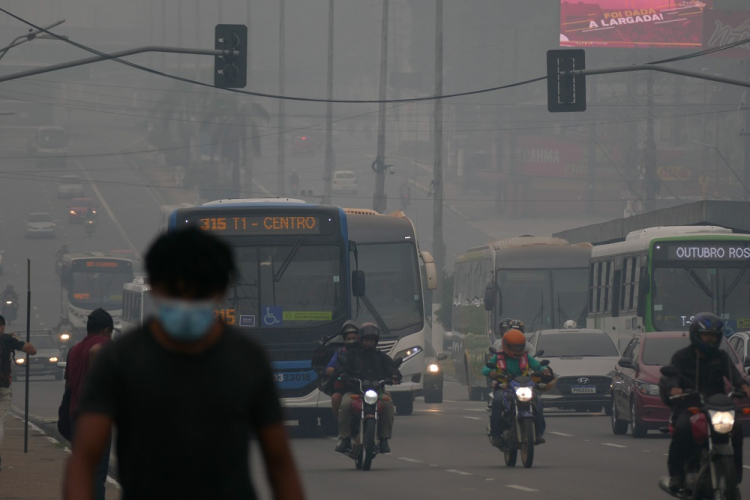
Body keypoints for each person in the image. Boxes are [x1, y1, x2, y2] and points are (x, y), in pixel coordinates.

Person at [64, 227, 305, 500]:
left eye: (199, 290)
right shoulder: (119, 361)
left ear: (222, 289)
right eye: (175, 290)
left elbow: (280, 462)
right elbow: (84, 461)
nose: (187, 300)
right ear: (153, 287)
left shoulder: (248, 360)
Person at [661, 312, 750, 493]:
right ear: (696, 335)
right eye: (706, 335)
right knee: (684, 428)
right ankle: (677, 476)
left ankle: (734, 476)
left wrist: (744, 386)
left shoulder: (721, 357)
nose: (710, 339)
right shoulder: (682, 357)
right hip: (689, 406)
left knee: (737, 429)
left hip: (716, 407)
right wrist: (674, 389)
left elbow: (735, 375)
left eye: (714, 336)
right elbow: (672, 377)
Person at [64, 308, 114, 500]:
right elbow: (96, 351)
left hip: (76, 418)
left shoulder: (74, 350)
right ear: (106, 330)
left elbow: (68, 386)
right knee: (97, 475)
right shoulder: (102, 344)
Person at [334, 322, 401, 455]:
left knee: (388, 405)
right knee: (345, 405)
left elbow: (391, 367)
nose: (369, 342)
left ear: (375, 341)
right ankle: (345, 439)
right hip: (355, 391)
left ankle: (384, 439)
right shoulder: (352, 354)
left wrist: (394, 375)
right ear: (361, 339)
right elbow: (342, 366)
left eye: (372, 340)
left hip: (378, 392)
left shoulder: (380, 356)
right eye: (366, 339)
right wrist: (343, 373)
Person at [482, 328, 550, 446]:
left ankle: (539, 433)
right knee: (497, 402)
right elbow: (485, 368)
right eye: (514, 347)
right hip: (504, 387)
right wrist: (490, 372)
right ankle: (496, 434)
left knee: (538, 401)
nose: (517, 349)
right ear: (506, 345)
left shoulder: (525, 357)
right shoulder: (498, 357)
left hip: (523, 386)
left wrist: (544, 370)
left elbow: (537, 365)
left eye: (519, 346)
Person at [0, 315, 36, 470]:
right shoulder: (7, 339)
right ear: (2, 326)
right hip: (3, 387)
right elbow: (32, 350)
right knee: (0, 421)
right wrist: (17, 339)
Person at [325, 321, 360, 418]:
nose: (352, 340)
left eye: (354, 338)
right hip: (347, 387)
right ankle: (342, 427)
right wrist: (340, 373)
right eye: (349, 338)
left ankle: (383, 432)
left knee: (387, 399)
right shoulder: (341, 352)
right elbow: (328, 368)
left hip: (367, 386)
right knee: (337, 398)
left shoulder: (366, 350)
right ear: (344, 339)